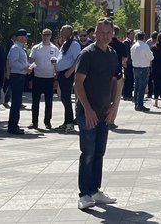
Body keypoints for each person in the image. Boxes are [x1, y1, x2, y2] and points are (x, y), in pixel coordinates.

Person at [75, 19, 121, 210]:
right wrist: (87, 109)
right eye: (101, 32)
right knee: (88, 152)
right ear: (94, 33)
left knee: (99, 152)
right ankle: (84, 194)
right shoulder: (87, 54)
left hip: (104, 112)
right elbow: (77, 83)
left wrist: (113, 106)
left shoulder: (112, 54)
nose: (104, 36)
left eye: (108, 32)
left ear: (112, 34)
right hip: (88, 112)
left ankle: (95, 190)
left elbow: (114, 81)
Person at [29, 28, 59, 130]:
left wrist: (56, 79)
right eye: (44, 34)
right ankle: (34, 122)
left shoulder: (54, 49)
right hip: (37, 77)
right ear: (41, 35)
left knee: (49, 101)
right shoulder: (36, 48)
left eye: (48, 35)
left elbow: (57, 65)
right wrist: (30, 79)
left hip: (49, 78)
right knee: (35, 101)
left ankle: (47, 122)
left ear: (51, 36)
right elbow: (31, 63)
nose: (46, 36)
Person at [57, 25, 82, 132]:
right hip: (62, 73)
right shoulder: (65, 43)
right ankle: (66, 121)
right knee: (63, 97)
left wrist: (70, 71)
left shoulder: (74, 44)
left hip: (68, 73)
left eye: (63, 31)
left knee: (66, 97)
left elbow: (78, 59)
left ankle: (70, 122)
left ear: (69, 32)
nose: (61, 33)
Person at [6, 29, 30, 135]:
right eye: (25, 36)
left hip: (20, 76)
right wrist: (24, 68)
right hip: (17, 76)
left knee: (17, 102)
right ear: (20, 37)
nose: (26, 38)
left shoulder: (20, 48)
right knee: (16, 102)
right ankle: (12, 126)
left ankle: (14, 125)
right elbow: (12, 62)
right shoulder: (16, 48)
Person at [130, 30, 154, 111]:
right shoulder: (145, 46)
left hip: (135, 67)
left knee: (136, 86)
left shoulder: (133, 46)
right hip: (144, 67)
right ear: (143, 37)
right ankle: (140, 104)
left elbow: (132, 57)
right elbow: (151, 57)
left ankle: (136, 103)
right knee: (142, 87)